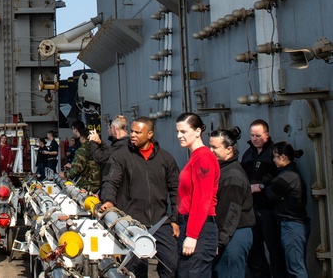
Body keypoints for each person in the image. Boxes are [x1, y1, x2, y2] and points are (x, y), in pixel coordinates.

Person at [99, 116, 180, 278]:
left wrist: (175, 219)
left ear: (149, 134)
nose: (133, 135)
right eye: (132, 131)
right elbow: (110, 181)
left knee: (171, 264)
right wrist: (109, 200)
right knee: (135, 269)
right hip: (132, 222)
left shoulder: (165, 158)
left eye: (138, 132)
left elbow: (176, 190)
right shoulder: (120, 156)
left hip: (160, 222)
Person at [174, 112, 219, 278]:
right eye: (178, 132)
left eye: (184, 132)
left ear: (198, 131)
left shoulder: (204, 158)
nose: (179, 136)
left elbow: (202, 199)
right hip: (193, 226)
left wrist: (192, 235)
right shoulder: (195, 157)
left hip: (199, 228)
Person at [242, 119, 286, 278]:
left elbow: (280, 179)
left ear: (267, 135)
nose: (255, 139)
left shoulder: (273, 154)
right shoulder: (248, 154)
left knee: (274, 247)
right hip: (252, 208)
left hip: (269, 208)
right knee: (255, 247)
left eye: (258, 136)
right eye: (252, 135)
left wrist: (261, 186)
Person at [210, 127, 255, 278]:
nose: (211, 150)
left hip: (233, 235)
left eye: (215, 147)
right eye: (210, 146)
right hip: (230, 234)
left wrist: (219, 241)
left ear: (229, 150)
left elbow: (230, 213)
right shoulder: (224, 170)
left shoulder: (232, 176)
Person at [267, 143, 310, 278]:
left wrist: (264, 187)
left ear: (283, 157)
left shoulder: (288, 176)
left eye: (275, 157)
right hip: (292, 225)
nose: (273, 160)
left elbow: (270, 193)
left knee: (296, 267)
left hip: (292, 226)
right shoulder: (288, 174)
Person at [60, 123, 102, 192]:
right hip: (98, 184)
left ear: (82, 138)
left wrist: (65, 175)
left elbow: (77, 168)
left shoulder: (82, 150)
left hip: (86, 185)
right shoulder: (98, 148)